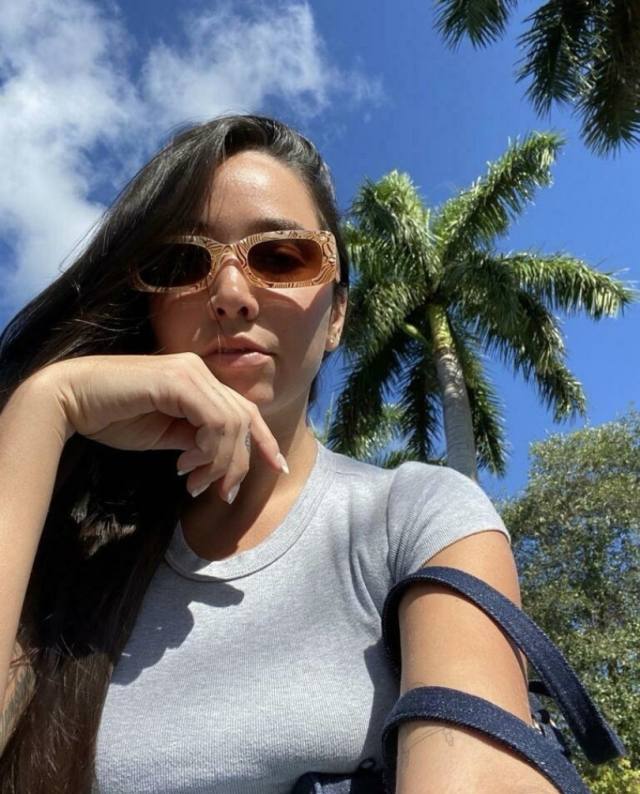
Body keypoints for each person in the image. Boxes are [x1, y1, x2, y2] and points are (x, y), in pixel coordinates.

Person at [0, 114, 553, 794]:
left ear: (337, 315)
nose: (231, 296)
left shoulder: (416, 517)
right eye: (181, 264)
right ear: (147, 312)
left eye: (282, 257)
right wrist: (44, 407)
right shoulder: (68, 570)